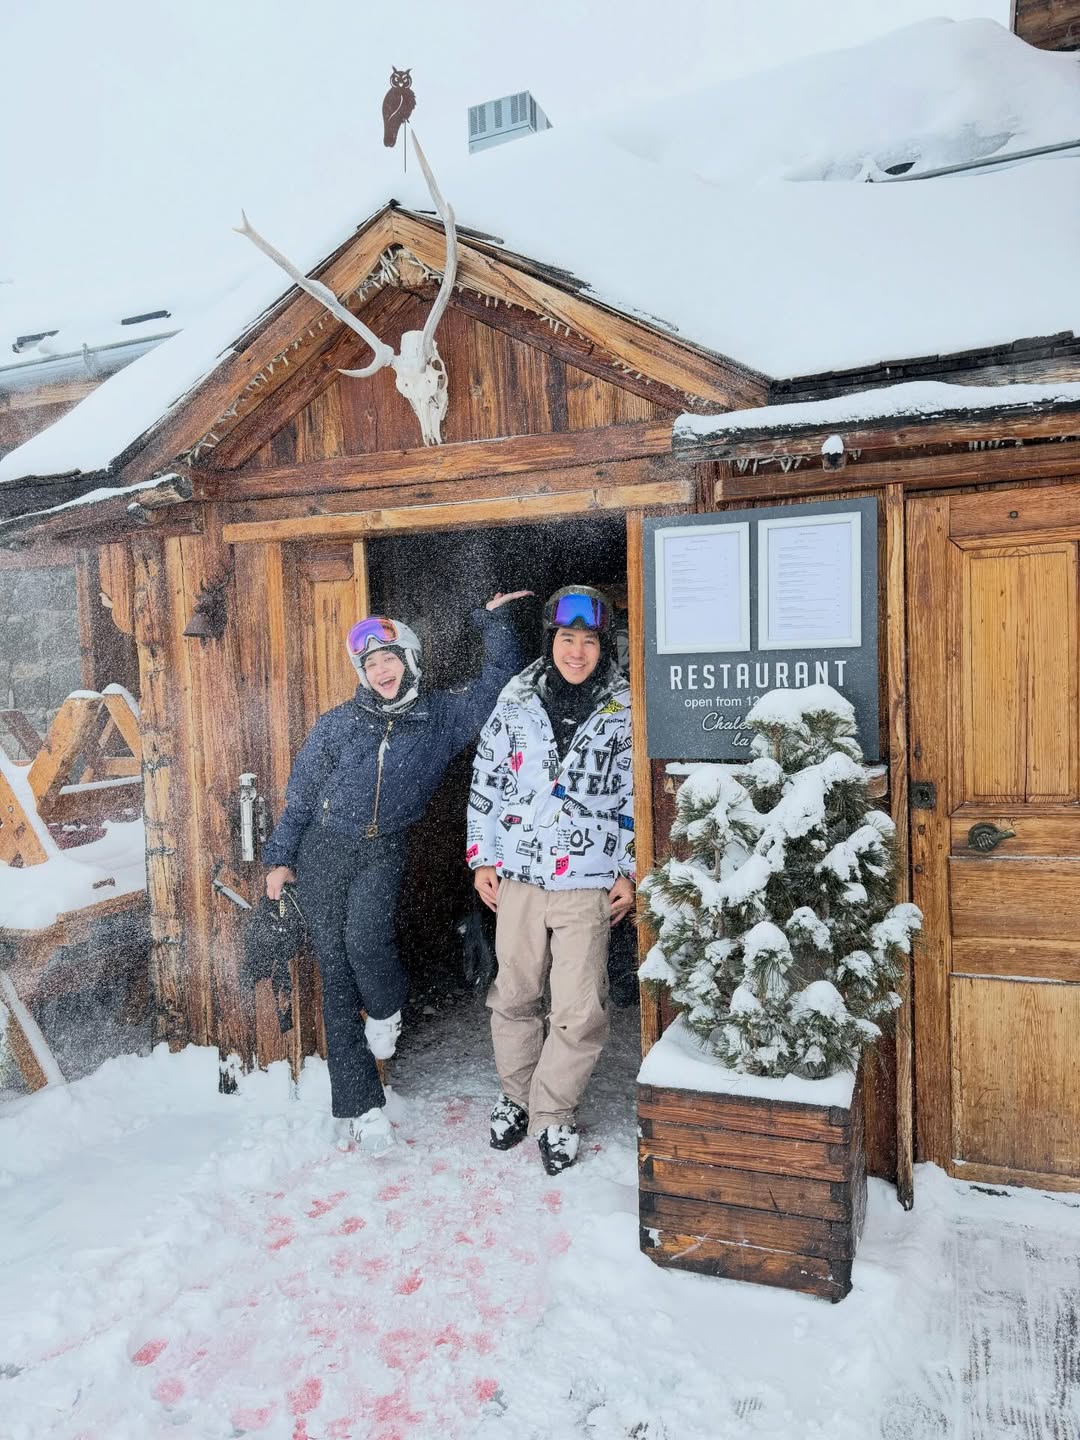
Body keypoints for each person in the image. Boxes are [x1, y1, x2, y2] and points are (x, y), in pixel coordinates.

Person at [263, 594, 528, 1155]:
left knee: (367, 944)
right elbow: (303, 795)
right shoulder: (338, 724)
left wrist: (496, 623)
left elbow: (497, 689)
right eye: (370, 664)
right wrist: (280, 859)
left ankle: (386, 1010)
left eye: (390, 658)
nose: (381, 671)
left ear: (409, 659)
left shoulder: (441, 718)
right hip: (322, 852)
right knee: (334, 977)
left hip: (382, 850)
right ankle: (363, 1111)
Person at [467, 586, 635, 1175]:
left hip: (588, 880)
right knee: (513, 994)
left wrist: (630, 868)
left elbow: (636, 794)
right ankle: (516, 1097)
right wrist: (482, 858)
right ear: (551, 640)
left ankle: (553, 1113)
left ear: (602, 645)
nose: (578, 652)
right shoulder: (514, 702)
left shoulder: (624, 707)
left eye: (589, 641)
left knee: (579, 1005)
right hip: (518, 873)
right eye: (568, 639)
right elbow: (486, 781)